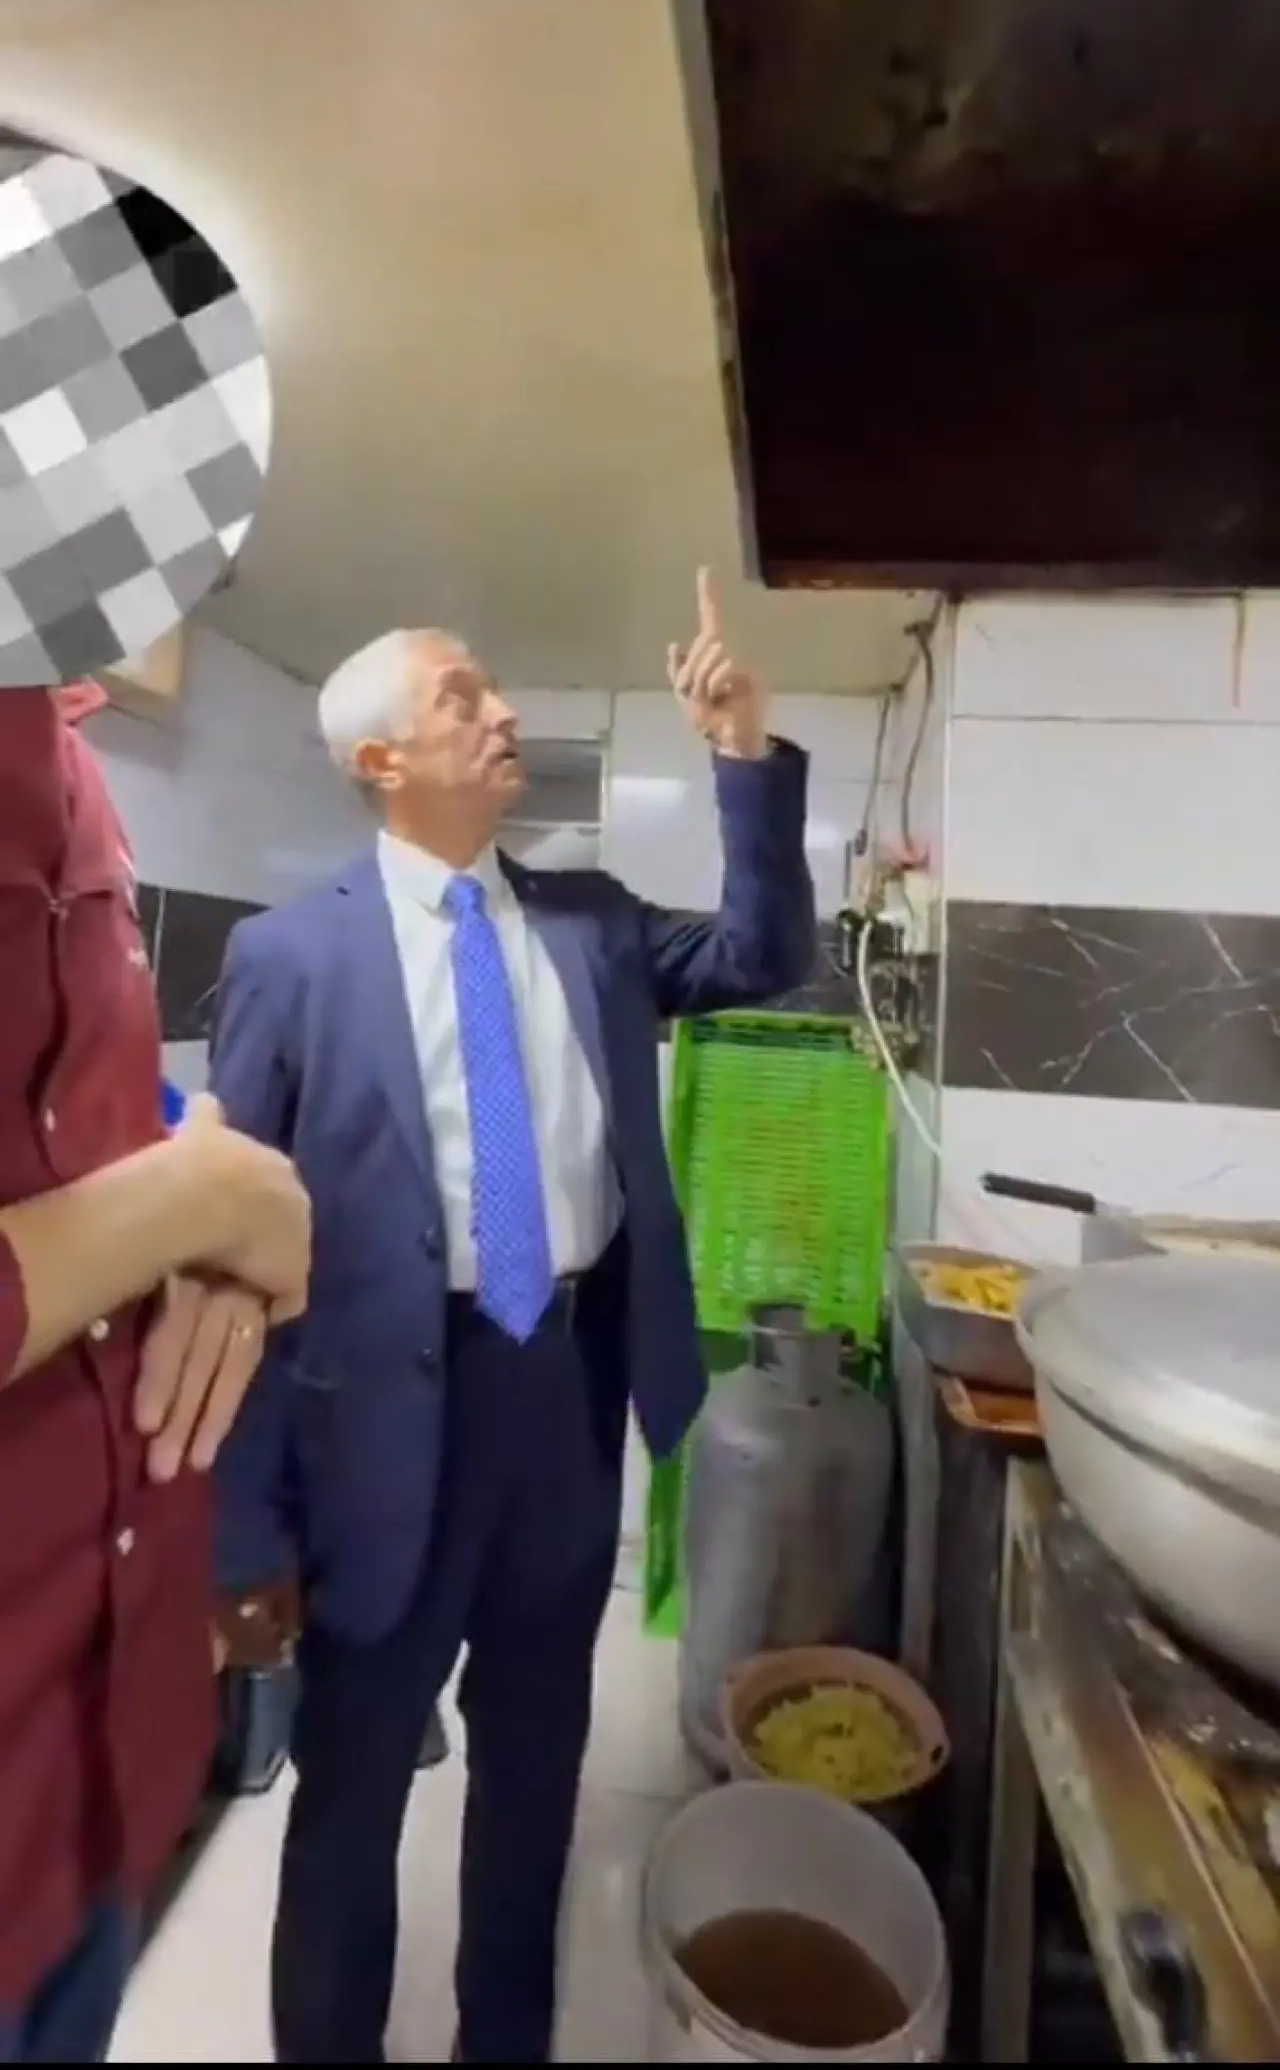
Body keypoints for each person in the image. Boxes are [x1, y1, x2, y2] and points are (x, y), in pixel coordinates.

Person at [211, 570, 817, 2064]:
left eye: (491, 689)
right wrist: (244, 1528)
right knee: (353, 1794)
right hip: (376, 1431)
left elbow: (763, 957)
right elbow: (232, 1264)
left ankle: (507, 2041)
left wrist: (744, 752)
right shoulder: (290, 959)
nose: (503, 713)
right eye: (462, 697)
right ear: (381, 760)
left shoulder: (589, 923)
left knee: (538, 1773)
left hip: (564, 1400)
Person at [0, 681, 312, 2066]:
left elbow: (98, 1128)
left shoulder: (76, 769)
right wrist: (198, 1203)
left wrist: (204, 1179)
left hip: (95, 1781)